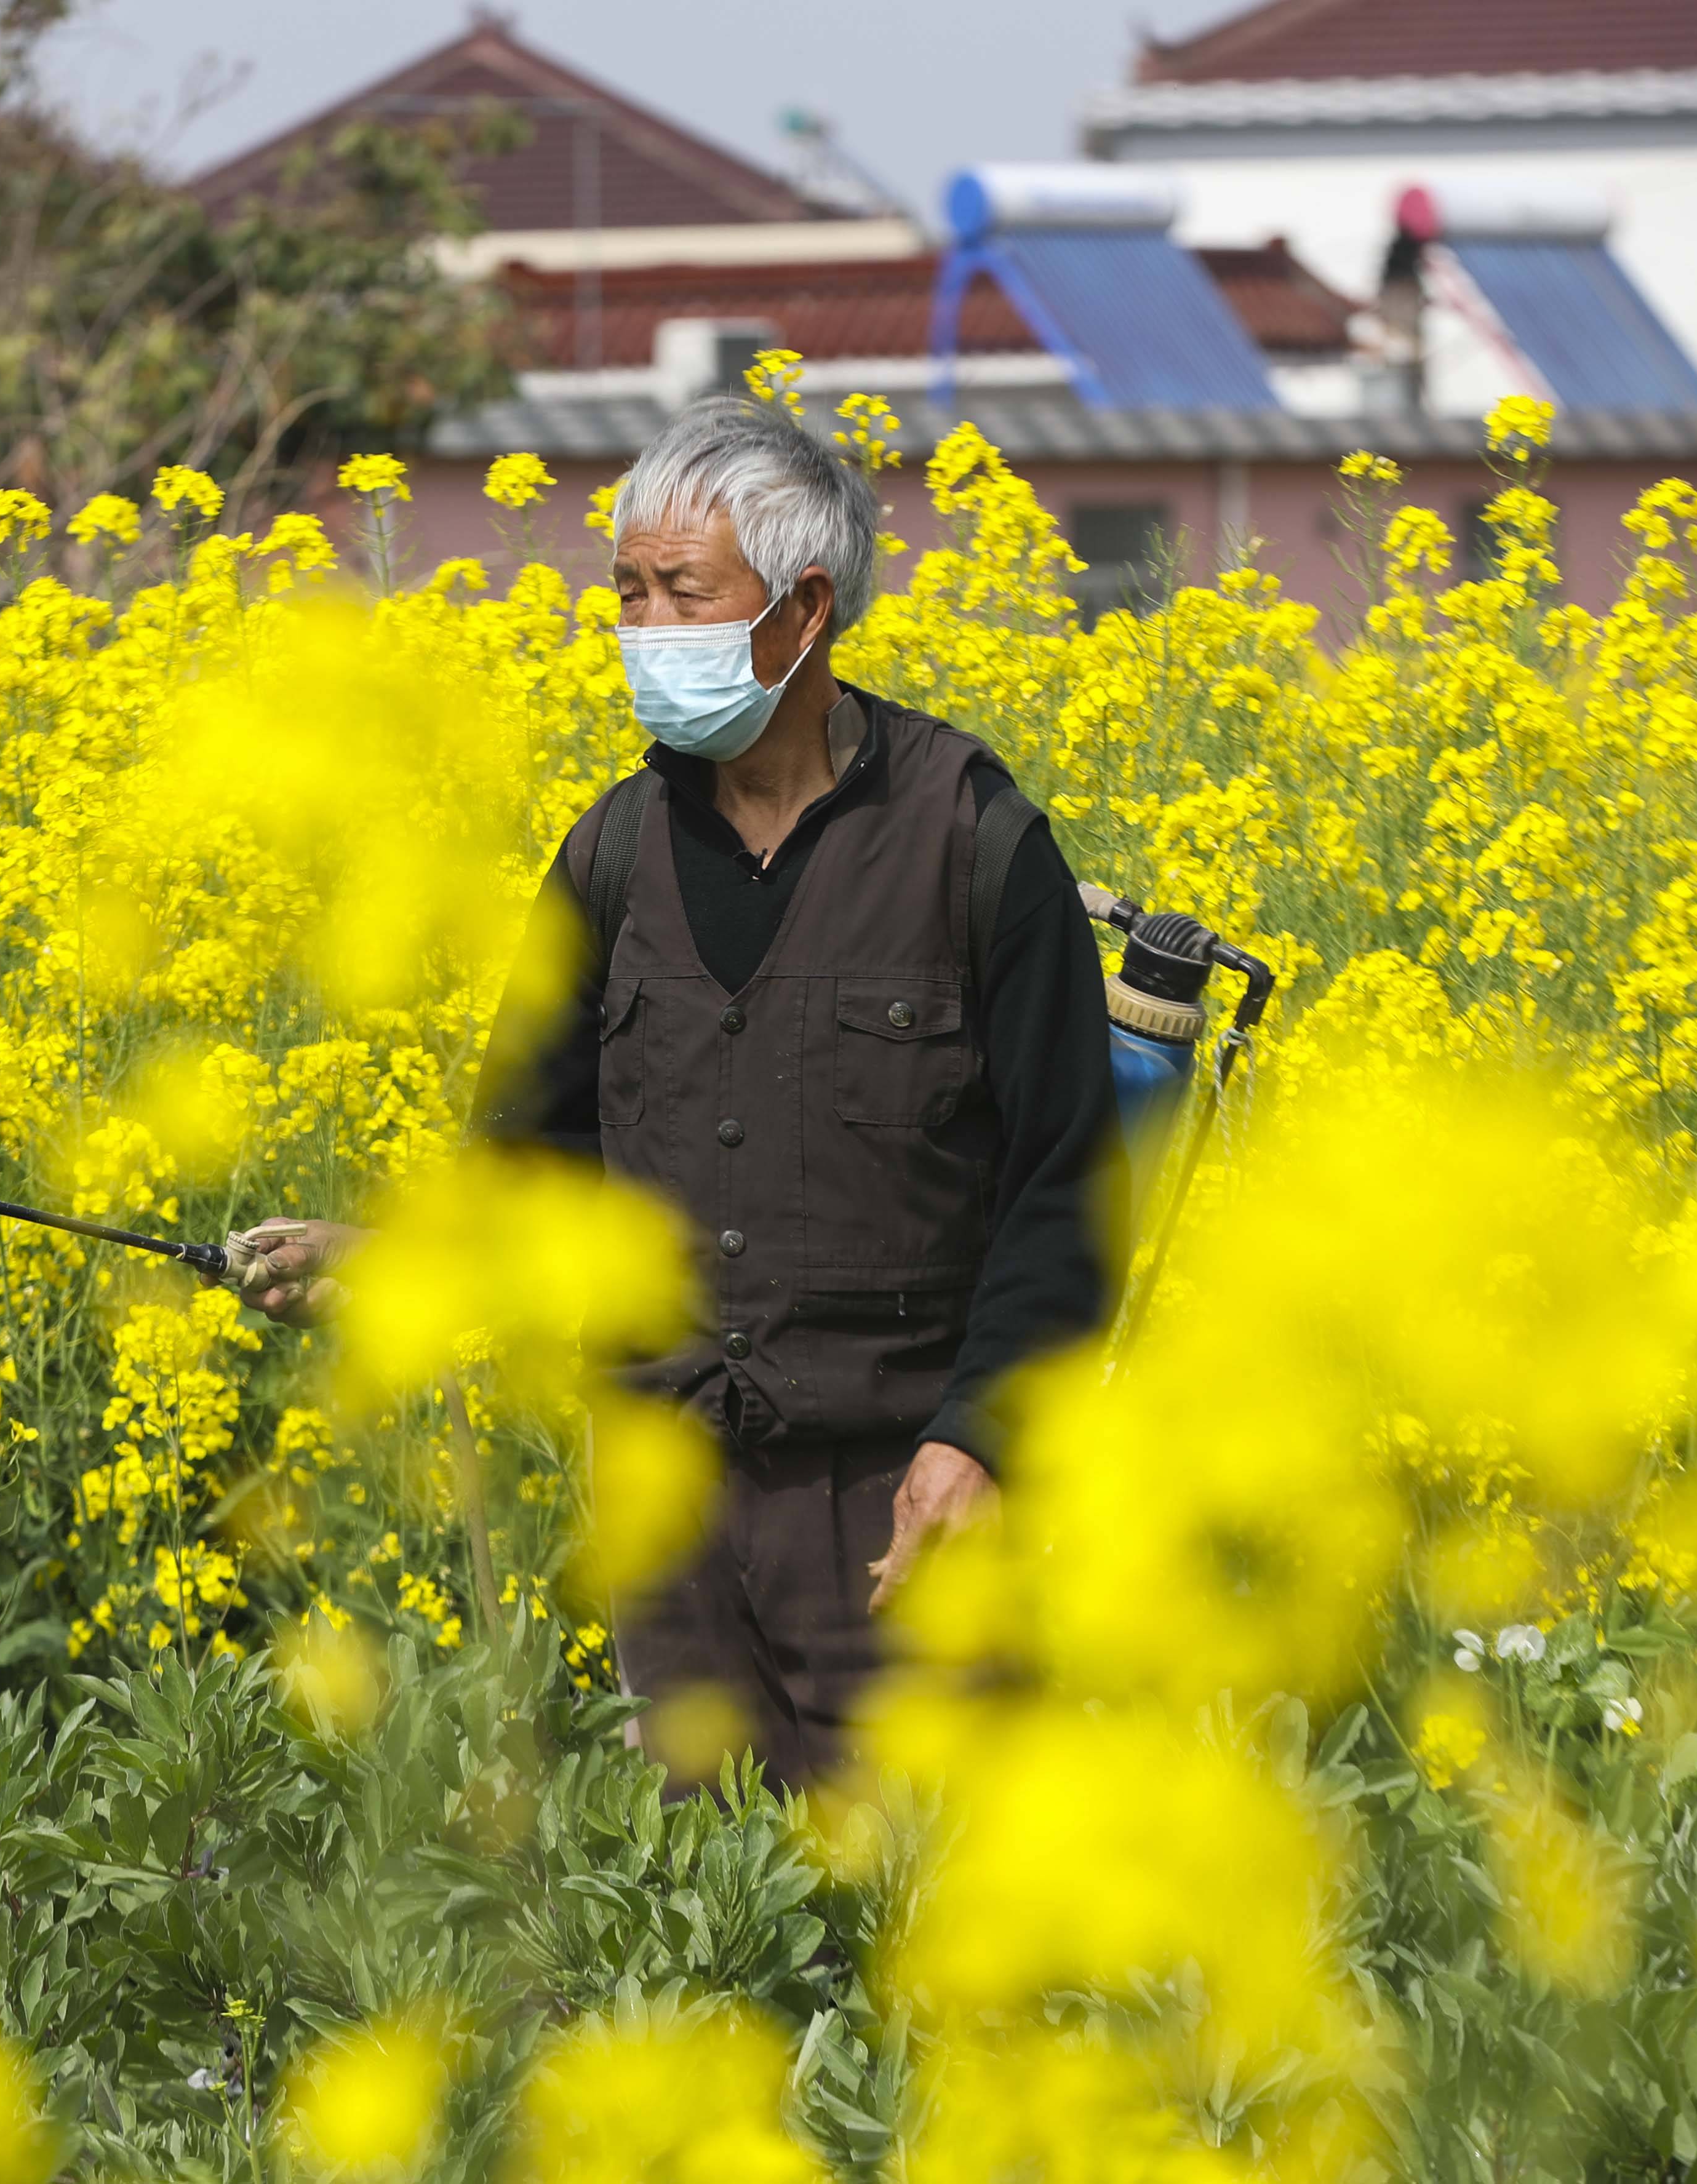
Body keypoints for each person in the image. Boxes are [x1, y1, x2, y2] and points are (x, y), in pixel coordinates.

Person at [239, 397, 1117, 1789]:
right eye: (628, 593)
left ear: (804, 608)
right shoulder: (612, 854)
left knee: (919, 1915)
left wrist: (980, 1437)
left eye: (681, 593)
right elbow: (529, 1152)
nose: (644, 627)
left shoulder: (972, 844)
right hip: (665, 1490)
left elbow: (1069, 1186)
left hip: (893, 1492)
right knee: (700, 1918)